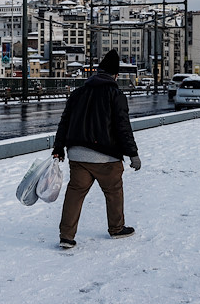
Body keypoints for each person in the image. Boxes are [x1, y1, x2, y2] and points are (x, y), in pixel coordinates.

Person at [52, 49, 141, 249]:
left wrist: (59, 147)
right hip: (106, 158)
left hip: (77, 155)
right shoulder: (116, 95)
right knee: (114, 192)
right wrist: (133, 154)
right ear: (115, 75)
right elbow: (122, 127)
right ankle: (116, 228)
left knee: (75, 193)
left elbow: (64, 122)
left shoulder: (78, 93)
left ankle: (66, 236)